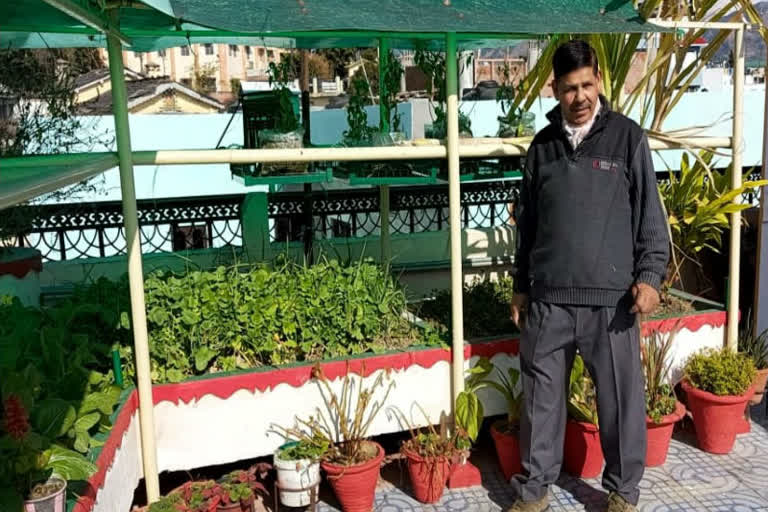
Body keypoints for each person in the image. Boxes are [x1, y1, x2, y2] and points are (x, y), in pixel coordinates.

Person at [506, 40, 670, 512]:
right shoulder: (541, 148)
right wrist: (521, 286)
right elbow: (529, 226)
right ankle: (534, 491)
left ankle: (622, 492)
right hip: (549, 298)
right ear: (553, 88)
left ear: (599, 80)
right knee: (540, 401)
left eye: (588, 85)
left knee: (620, 402)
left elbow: (649, 217)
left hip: (612, 302)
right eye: (570, 88)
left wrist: (651, 277)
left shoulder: (627, 138)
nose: (580, 97)